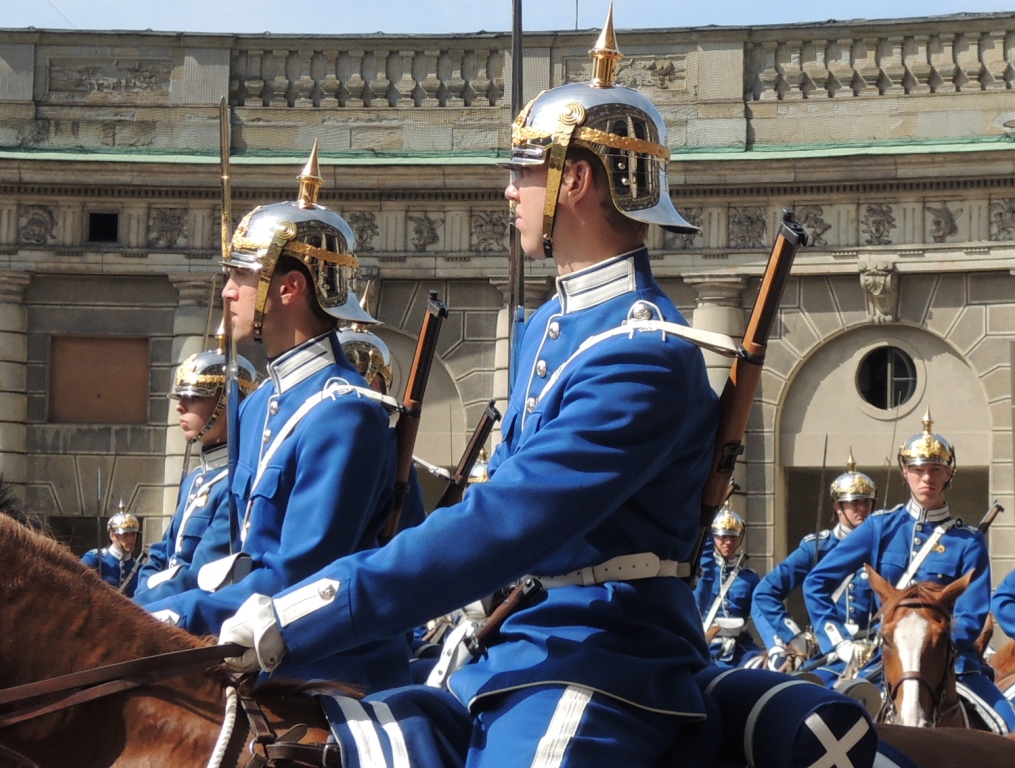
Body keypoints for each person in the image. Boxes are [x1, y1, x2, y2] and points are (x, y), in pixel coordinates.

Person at [218, 13, 721, 767]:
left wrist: (306, 609)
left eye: (524, 170)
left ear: (574, 180)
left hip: (602, 658)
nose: (509, 190)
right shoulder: (553, 324)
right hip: (515, 647)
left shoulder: (641, 352)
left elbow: (505, 521)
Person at [143, 144, 417, 692]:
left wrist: (176, 617)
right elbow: (226, 557)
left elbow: (299, 576)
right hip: (245, 648)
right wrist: (152, 605)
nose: (227, 291)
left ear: (289, 288)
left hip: (323, 673)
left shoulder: (345, 414)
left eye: (241, 276)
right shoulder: (258, 403)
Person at [805, 409, 1015, 733]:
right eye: (918, 470)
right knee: (824, 728)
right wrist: (840, 642)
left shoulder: (968, 541)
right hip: (886, 662)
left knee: (1006, 728)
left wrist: (935, 646)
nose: (926, 478)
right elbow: (817, 581)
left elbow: (972, 615)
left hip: (954, 665)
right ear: (906, 473)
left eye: (935, 470)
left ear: (949, 474)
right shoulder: (880, 528)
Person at [132, 348, 259, 605]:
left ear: (229, 402)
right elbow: (160, 554)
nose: (180, 406)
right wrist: (138, 598)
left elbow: (201, 575)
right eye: (180, 396)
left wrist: (139, 607)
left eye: (193, 397)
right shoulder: (194, 480)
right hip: (157, 608)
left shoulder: (238, 482)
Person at [753, 452, 875, 673]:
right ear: (837, 506)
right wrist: (795, 637)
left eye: (866, 501)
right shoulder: (817, 547)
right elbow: (764, 593)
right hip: (828, 654)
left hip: (872, 652)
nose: (862, 508)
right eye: (854, 502)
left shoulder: (881, 547)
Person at [693, 506, 762, 668]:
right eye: (723, 536)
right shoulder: (702, 573)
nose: (729, 542)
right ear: (713, 537)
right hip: (708, 644)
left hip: (741, 647)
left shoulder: (750, 577)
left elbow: (761, 611)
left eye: (733, 537)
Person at [81, 510, 142, 597]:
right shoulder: (94, 559)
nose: (130, 539)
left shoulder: (139, 568)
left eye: (133, 534)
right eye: (125, 534)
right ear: (112, 535)